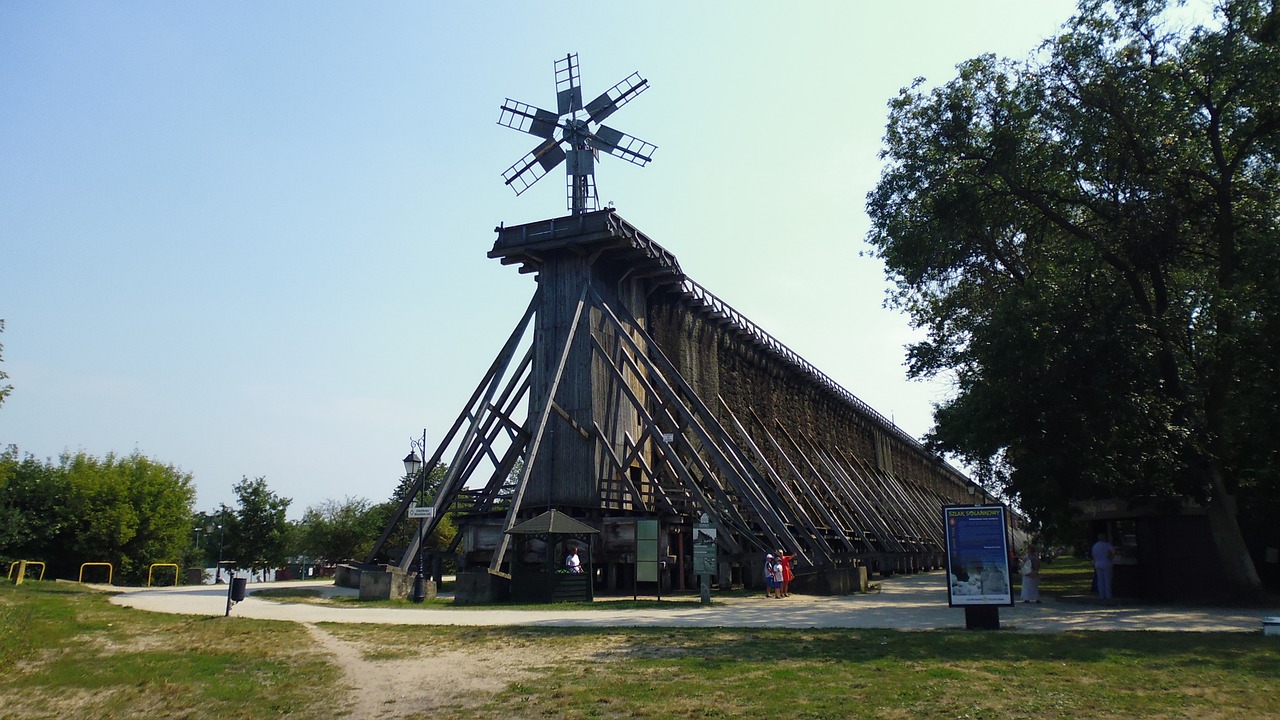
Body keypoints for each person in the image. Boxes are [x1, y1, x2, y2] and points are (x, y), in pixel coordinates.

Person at [1091, 532, 1116, 599]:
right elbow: (1112, 553)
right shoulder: (1107, 545)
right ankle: (1108, 595)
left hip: (1098, 564)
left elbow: (1093, 555)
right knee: (1107, 580)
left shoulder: (1095, 546)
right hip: (1106, 563)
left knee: (1100, 580)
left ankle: (1101, 594)